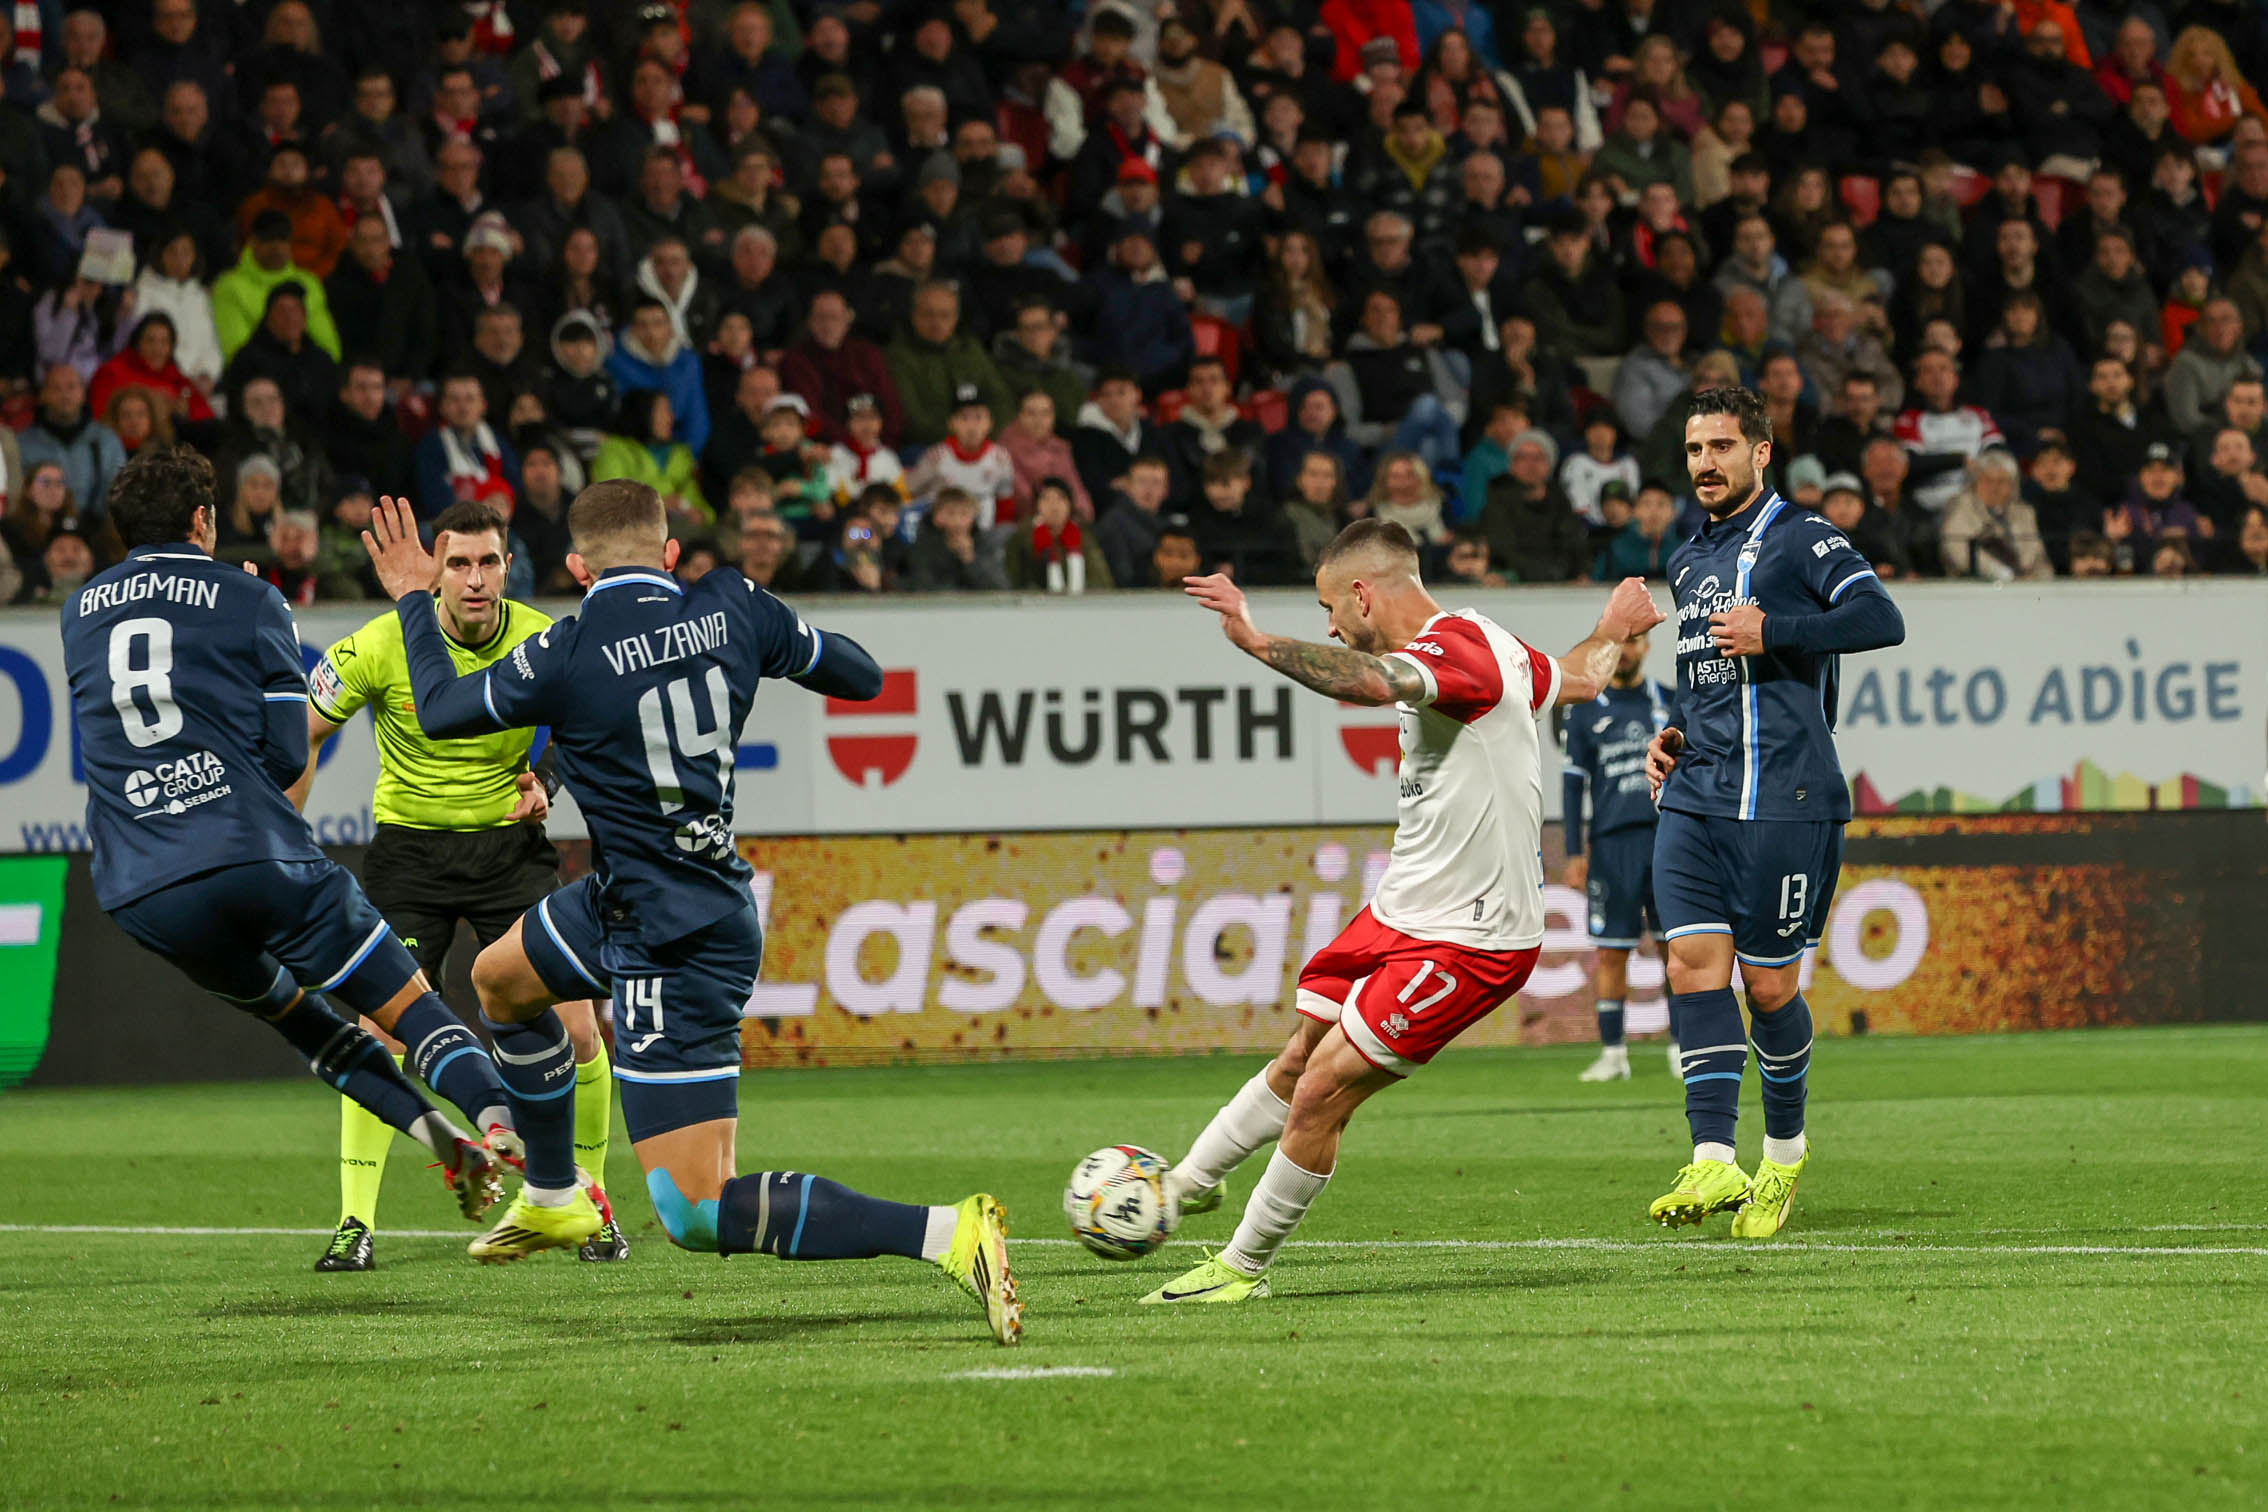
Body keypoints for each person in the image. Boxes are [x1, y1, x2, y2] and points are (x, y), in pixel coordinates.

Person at [356, 485, 1021, 1342]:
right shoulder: (733, 603)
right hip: (636, 896)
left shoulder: (567, 649)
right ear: (670, 555)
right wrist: (768, 635)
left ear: (576, 568)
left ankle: (947, 1232)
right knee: (500, 980)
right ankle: (555, 1193)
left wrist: (415, 597)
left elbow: (443, 711)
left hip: (673, 941)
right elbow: (860, 676)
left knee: (696, 1211)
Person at [1146, 520, 1664, 1303]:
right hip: (1404, 911)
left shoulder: (1455, 653)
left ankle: (1240, 1269)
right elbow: (1578, 677)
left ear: (1363, 594)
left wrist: (1255, 640)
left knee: (1322, 1091)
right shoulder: (1488, 643)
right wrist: (1612, 629)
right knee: (1298, 1058)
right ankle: (1185, 1187)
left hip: (1471, 937)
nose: (1330, 626)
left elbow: (1368, 682)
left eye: (1330, 608)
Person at [59, 448, 510, 1230]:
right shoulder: (248, 597)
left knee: (302, 1021)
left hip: (141, 888)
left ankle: (434, 1137)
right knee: (408, 1005)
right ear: (203, 519)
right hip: (253, 854)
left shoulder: (78, 612)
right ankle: (500, 1125)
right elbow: (286, 754)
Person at [286, 501, 622, 1269]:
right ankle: (355, 1223)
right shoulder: (379, 643)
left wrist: (547, 781)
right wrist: (284, 834)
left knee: (578, 1029)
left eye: (488, 562)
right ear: (432, 572)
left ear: (509, 568)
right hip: (410, 858)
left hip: (512, 852)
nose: (475, 579)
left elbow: (591, 727)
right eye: (458, 563)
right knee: (380, 1034)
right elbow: (302, 731)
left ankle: (593, 1204)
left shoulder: (542, 638)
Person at [1644, 386, 1906, 1238]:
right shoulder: (1688, 560)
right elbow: (1709, 676)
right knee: (1691, 966)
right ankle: (1713, 1158)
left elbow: (1882, 618)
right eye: (1695, 450)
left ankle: (1783, 1156)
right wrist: (1673, 734)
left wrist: (1778, 630)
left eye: (1722, 446)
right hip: (1697, 791)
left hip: (1784, 796)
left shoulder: (1799, 536)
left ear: (1761, 452)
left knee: (1767, 988)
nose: (1705, 463)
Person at [1562, 620, 1674, 1084]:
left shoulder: (1670, 701)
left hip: (1668, 838)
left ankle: (1683, 1050)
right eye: (1619, 643)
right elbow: (1573, 784)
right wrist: (1574, 850)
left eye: (1634, 641)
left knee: (1676, 948)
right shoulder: (1585, 710)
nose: (1626, 650)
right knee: (1611, 952)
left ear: (1647, 646)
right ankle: (1613, 1055)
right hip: (1612, 844)